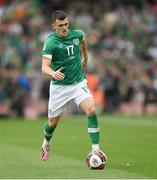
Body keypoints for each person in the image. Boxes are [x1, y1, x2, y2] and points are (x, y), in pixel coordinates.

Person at [40, 10, 105, 161]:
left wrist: (85, 57)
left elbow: (83, 41)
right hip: (59, 87)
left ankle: (96, 150)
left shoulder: (77, 34)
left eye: (66, 24)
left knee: (91, 109)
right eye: (61, 25)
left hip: (77, 83)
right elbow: (44, 67)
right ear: (54, 26)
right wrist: (53, 73)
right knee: (52, 123)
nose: (64, 28)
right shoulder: (51, 42)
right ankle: (46, 142)